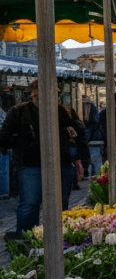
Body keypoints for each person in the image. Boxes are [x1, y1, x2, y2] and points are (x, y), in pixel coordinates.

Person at [0, 81, 88, 237]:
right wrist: (23, 141)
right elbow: (4, 138)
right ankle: (26, 240)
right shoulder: (19, 112)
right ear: (33, 95)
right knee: (30, 204)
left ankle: (58, 239)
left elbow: (81, 134)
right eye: (38, 96)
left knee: (59, 205)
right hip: (30, 164)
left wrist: (78, 158)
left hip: (61, 163)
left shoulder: (65, 112)